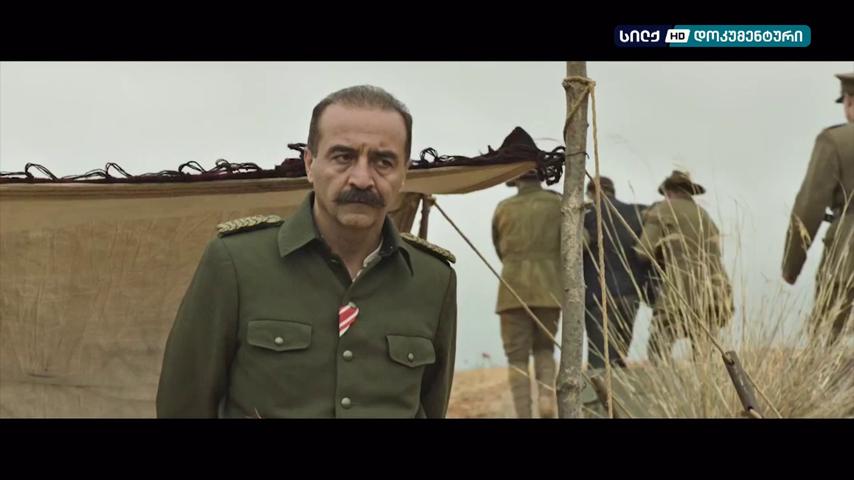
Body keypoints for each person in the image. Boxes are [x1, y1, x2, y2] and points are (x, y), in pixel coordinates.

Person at [157, 85, 457, 418]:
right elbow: (183, 404)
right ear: (310, 164)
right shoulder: (236, 262)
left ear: (404, 173)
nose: (362, 179)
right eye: (343, 157)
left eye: (383, 162)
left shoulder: (433, 279)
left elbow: (432, 405)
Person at [782, 71, 854, 345]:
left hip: (847, 252)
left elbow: (809, 207)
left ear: (849, 101)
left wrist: (791, 265)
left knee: (827, 341)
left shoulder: (835, 141)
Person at [492, 149, 562, 418]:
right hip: (549, 288)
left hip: (512, 289)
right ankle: (546, 397)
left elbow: (499, 247)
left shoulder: (503, 208)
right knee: (545, 348)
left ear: (515, 179)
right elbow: (574, 242)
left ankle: (524, 413)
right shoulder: (556, 203)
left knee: (517, 358)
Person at [635, 171, 733, 364]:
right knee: (704, 357)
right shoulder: (704, 215)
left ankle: (666, 383)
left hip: (679, 291)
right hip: (714, 293)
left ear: (668, 192)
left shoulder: (664, 209)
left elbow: (643, 251)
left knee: (659, 349)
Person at [582, 176, 650, 370]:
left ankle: (600, 390)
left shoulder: (586, 214)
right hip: (630, 295)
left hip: (598, 296)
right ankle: (619, 388)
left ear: (591, 193)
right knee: (619, 355)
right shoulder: (637, 213)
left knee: (599, 360)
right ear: (612, 191)